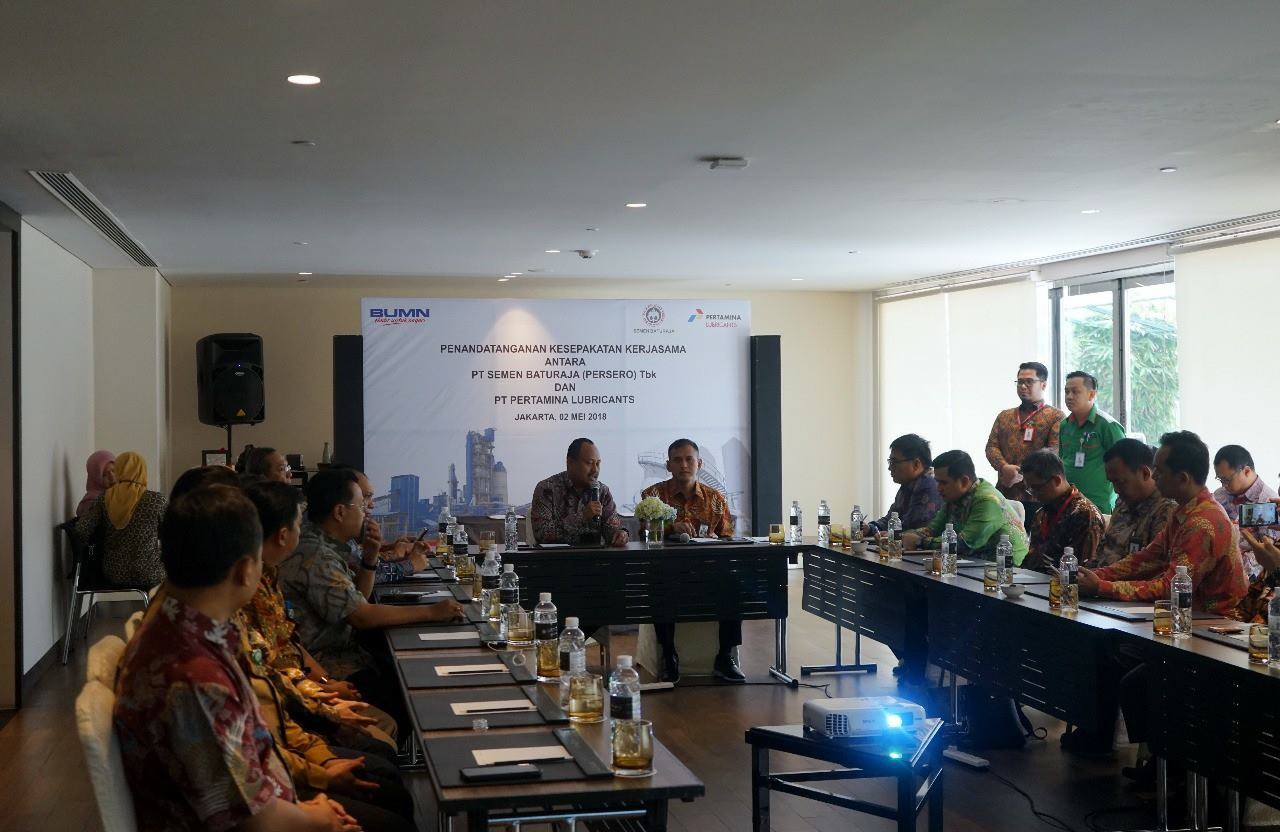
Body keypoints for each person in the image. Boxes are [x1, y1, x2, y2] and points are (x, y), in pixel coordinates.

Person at [113, 485, 361, 831]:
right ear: (246, 569)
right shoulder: (195, 679)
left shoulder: (185, 628)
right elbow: (255, 820)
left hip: (277, 798)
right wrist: (320, 819)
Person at [238, 482, 413, 831]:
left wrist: (321, 693)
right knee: (387, 784)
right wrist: (320, 776)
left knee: (387, 775)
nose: (369, 508)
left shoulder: (256, 588)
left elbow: (279, 664)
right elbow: (238, 776)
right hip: (273, 789)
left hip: (293, 736)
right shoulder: (203, 649)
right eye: (364, 502)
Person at [278, 468, 465, 730]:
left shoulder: (329, 544)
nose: (367, 512)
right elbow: (361, 616)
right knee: (412, 696)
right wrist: (431, 612)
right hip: (330, 662)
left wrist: (369, 559)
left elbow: (358, 599)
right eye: (361, 505)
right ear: (340, 512)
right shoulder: (316, 555)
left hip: (344, 650)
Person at [1079, 431, 1247, 616]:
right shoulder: (1185, 511)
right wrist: (1094, 576)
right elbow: (1145, 558)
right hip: (1189, 617)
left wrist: (1101, 586)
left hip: (1215, 623)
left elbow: (1171, 589)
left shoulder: (1201, 522)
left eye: (1159, 471)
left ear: (1182, 479)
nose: (1154, 476)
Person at [640, 439, 744, 683]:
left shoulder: (716, 498)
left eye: (689, 459)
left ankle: (724, 657)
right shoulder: (653, 495)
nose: (684, 465)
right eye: (677, 460)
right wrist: (670, 527)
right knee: (659, 584)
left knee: (734, 584)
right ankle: (669, 656)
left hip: (707, 571)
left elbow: (727, 538)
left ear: (700, 463)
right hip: (668, 571)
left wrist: (715, 540)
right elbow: (643, 532)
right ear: (668, 465)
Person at [902, 450, 1028, 563]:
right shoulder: (954, 497)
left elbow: (965, 543)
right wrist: (903, 536)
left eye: (943, 483)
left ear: (964, 481)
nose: (938, 488)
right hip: (973, 563)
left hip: (1006, 568)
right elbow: (932, 530)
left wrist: (919, 541)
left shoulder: (987, 500)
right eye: (937, 482)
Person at [75, 450, 167, 586]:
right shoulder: (156, 500)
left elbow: (82, 529)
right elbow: (172, 535)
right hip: (150, 572)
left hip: (114, 573)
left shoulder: (104, 499)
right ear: (142, 472)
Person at [985, 362, 1064, 508]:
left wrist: (1019, 472)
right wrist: (1004, 467)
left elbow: (1053, 452)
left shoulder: (1056, 416)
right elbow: (991, 447)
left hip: (1037, 495)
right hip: (1005, 492)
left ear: (1043, 385)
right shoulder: (1004, 416)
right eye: (1020, 382)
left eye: (1029, 381)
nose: (1022, 386)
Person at [530, 438, 628, 546]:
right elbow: (542, 535)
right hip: (556, 556)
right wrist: (582, 517)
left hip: (594, 556)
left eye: (597, 464)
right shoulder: (547, 489)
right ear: (570, 463)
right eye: (589, 463)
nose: (595, 470)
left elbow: (612, 530)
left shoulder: (602, 491)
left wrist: (620, 534)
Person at [1020, 449, 1105, 571]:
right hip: (1033, 579)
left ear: (1056, 481)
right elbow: (1032, 558)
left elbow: (1083, 570)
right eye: (1029, 489)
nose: (1033, 495)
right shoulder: (1042, 513)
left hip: (1064, 581)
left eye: (1036, 488)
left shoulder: (1085, 515)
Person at [1096, 439, 1177, 567]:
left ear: (1145, 473)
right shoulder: (1123, 502)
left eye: (1120, 482)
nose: (1116, 490)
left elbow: (1154, 568)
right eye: (1112, 482)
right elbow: (1102, 550)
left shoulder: (1166, 510)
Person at [1058, 371, 1126, 513]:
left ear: (1091, 394)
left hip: (1099, 505)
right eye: (1066, 391)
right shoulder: (1065, 425)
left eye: (1075, 392)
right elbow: (1062, 459)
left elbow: (1125, 466)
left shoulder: (1108, 425)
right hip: (1068, 502)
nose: (1069, 396)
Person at [1212, 444, 1278, 579]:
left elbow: (1267, 553)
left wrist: (1230, 566)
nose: (1223, 485)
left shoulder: (1268, 501)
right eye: (1220, 480)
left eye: (1227, 480)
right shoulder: (1219, 495)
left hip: (1247, 578)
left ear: (1246, 471)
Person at [865, 434, 943, 534]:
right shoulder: (906, 486)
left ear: (916, 464)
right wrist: (870, 528)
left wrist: (891, 534)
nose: (889, 468)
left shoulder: (928, 485)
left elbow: (914, 528)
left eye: (894, 462)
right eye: (890, 462)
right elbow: (890, 520)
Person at [76, 450, 115, 518]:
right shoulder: (90, 502)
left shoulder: (120, 495)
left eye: (114, 471)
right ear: (96, 478)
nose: (112, 477)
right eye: (104, 475)